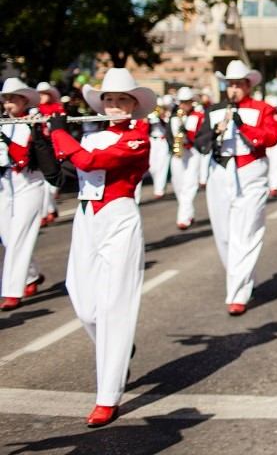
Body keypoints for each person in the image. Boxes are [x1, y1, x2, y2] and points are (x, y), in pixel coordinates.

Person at [47, 68, 155, 427]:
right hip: (85, 217)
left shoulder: (140, 137)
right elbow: (67, 172)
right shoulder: (92, 136)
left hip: (119, 217)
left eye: (121, 100)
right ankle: (119, 351)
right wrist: (41, 139)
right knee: (84, 302)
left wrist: (60, 131)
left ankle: (107, 396)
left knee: (114, 305)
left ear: (134, 105)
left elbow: (93, 163)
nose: (113, 105)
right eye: (108, 99)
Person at [194, 60, 277, 315]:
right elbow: (199, 142)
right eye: (230, 85)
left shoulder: (262, 108)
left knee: (247, 230)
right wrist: (215, 132)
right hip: (220, 171)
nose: (233, 89)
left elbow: (271, 137)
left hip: (250, 171)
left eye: (238, 85)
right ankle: (241, 279)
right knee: (223, 234)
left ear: (248, 85)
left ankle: (238, 293)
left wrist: (243, 125)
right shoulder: (214, 111)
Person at [0, 79, 59, 311]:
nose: (8, 102)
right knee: (7, 236)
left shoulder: (33, 123)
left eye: (13, 98)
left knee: (19, 237)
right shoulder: (4, 123)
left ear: (24, 100)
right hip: (5, 183)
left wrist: (5, 138)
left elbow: (23, 157)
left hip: (30, 182)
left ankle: (12, 292)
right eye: (6, 98)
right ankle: (31, 275)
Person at [168, 86, 204, 229]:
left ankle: (183, 219)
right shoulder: (174, 117)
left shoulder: (198, 116)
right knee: (178, 186)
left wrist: (187, 134)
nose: (184, 105)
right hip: (178, 154)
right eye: (182, 102)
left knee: (189, 185)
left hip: (192, 153)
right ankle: (189, 214)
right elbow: (169, 136)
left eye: (187, 102)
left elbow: (200, 136)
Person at [35, 81, 64, 226]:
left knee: (53, 186)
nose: (42, 96)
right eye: (40, 94)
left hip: (56, 147)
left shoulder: (57, 110)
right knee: (45, 184)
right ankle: (46, 212)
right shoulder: (34, 111)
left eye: (45, 93)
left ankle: (50, 209)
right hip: (44, 149)